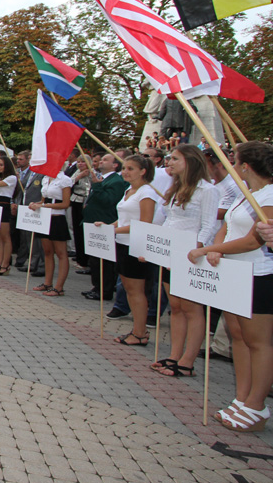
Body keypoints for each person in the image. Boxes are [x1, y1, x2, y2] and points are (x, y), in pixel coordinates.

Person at [191, 142, 273, 431]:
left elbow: (254, 240)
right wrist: (218, 248)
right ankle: (242, 397)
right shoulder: (246, 193)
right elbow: (226, 226)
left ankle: (257, 405)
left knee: (259, 342)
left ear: (246, 166)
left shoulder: (269, 195)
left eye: (235, 162)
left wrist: (211, 250)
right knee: (238, 336)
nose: (232, 167)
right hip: (235, 272)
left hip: (258, 273)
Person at [151, 144, 220, 378]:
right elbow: (169, 220)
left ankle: (188, 361)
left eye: (175, 158)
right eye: (169, 158)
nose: (169, 162)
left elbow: (209, 225)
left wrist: (198, 248)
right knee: (176, 307)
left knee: (192, 309)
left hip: (190, 254)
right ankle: (174, 355)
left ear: (190, 161)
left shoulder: (207, 190)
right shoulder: (176, 187)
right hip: (171, 253)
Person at [104, 155, 160, 345]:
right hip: (122, 243)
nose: (125, 172)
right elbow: (124, 218)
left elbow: (145, 222)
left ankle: (140, 332)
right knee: (128, 288)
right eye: (124, 168)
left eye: (130, 169)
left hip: (135, 245)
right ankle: (138, 330)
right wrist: (109, 226)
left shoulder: (147, 193)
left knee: (136, 291)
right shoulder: (129, 190)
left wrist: (115, 230)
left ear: (143, 171)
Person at [81, 153, 129, 301]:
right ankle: (97, 287)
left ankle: (104, 290)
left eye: (105, 160)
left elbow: (109, 201)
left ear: (115, 165)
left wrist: (97, 185)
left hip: (104, 222)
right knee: (95, 259)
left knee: (104, 261)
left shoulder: (116, 181)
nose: (101, 161)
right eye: (101, 159)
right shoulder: (102, 178)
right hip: (94, 222)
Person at [30, 169, 73, 297]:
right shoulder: (45, 179)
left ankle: (59, 287)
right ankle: (47, 283)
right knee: (47, 252)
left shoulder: (64, 180)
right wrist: (35, 204)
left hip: (57, 218)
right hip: (45, 218)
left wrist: (44, 206)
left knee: (61, 253)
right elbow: (44, 201)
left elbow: (65, 204)